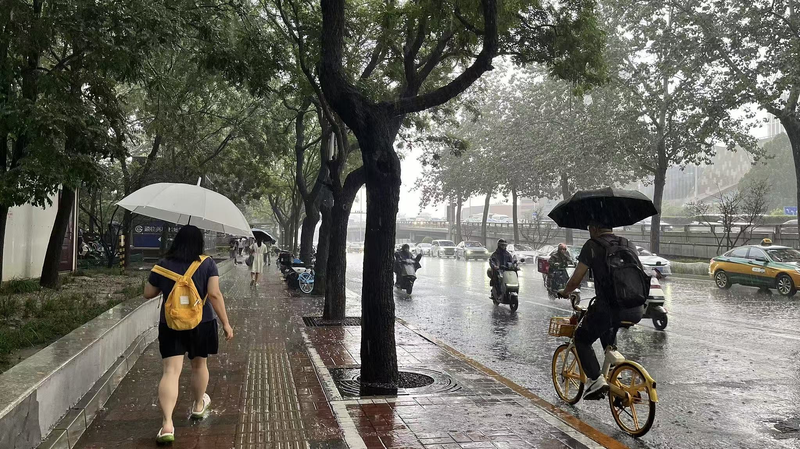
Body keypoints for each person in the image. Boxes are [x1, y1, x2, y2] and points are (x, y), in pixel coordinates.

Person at [143, 225, 234, 445]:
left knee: (171, 372)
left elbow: (148, 293)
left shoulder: (163, 265)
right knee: (199, 365)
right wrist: (226, 323)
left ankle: (166, 425)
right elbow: (214, 293)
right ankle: (198, 406)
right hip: (202, 323)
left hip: (171, 324)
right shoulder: (207, 263)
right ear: (199, 243)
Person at [559, 222, 644, 400]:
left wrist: (565, 292)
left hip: (609, 308)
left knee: (582, 338)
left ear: (595, 228)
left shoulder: (592, 246)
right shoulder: (628, 244)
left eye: (589, 227)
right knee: (607, 328)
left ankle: (596, 380)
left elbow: (575, 281)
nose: (589, 231)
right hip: (635, 308)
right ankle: (615, 370)